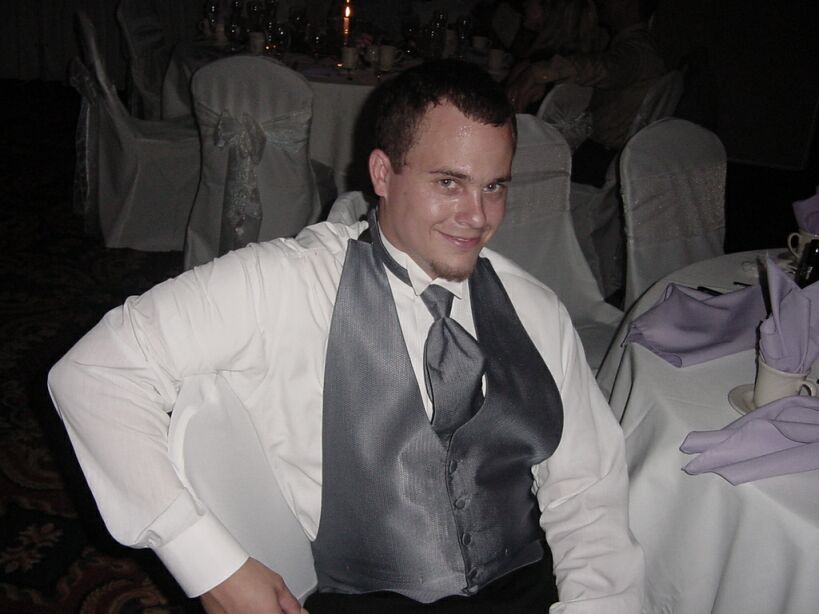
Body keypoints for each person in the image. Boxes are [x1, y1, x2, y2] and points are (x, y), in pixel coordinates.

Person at [48, 59, 644, 613]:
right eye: (449, 183)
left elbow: (586, 492)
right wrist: (209, 564)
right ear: (383, 173)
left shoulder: (535, 310)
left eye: (494, 186)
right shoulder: (287, 284)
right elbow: (94, 374)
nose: (478, 217)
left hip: (531, 589)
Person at [505, 0, 666, 187]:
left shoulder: (637, 51)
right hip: (607, 156)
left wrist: (538, 72)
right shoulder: (639, 46)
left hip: (601, 161)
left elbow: (604, 68)